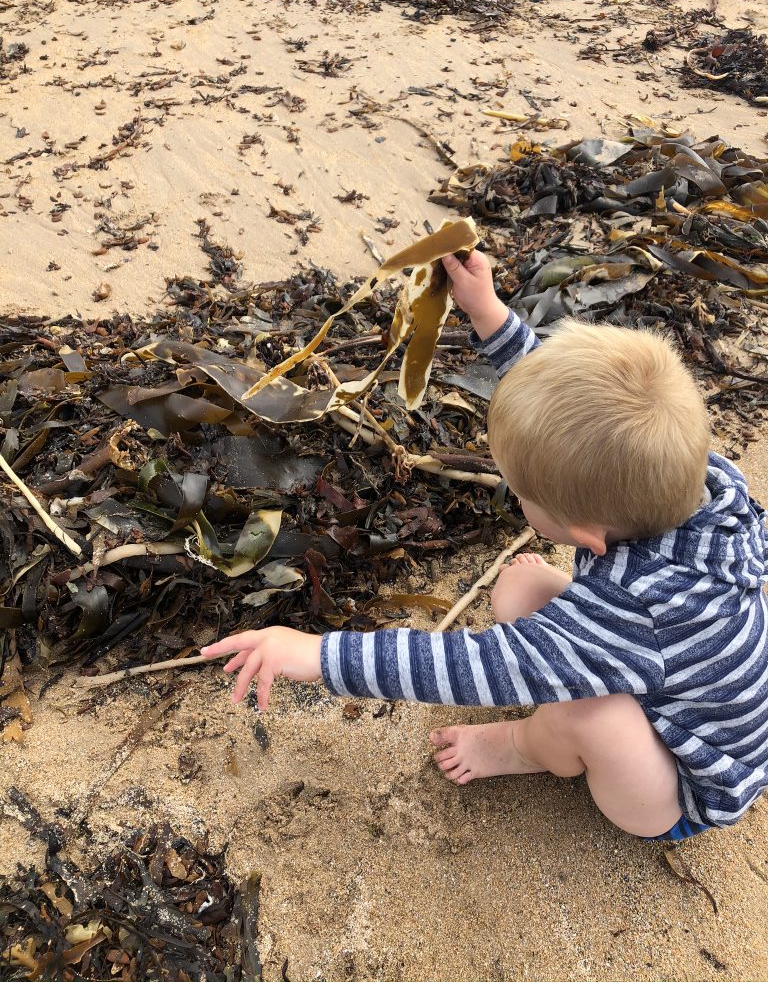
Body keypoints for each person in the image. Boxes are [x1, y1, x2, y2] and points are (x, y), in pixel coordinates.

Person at [201, 250, 768, 842]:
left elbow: (472, 668)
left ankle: (521, 745)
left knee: (586, 710)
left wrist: (316, 656)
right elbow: (570, 410)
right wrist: (489, 312)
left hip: (688, 785)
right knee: (520, 588)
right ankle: (571, 704)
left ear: (585, 536)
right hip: (680, 682)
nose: (512, 490)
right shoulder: (696, 479)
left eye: (520, 490)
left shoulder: (645, 610)